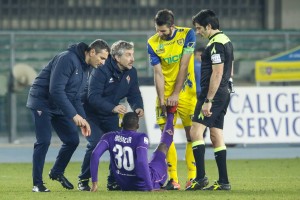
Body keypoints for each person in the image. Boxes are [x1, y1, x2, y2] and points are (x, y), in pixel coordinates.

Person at [27, 39, 110, 192]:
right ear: (92, 52)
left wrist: (83, 119)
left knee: (72, 140)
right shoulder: (67, 58)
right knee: (44, 141)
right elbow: (56, 90)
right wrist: (73, 115)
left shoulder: (87, 68)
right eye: (102, 58)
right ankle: (37, 184)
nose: (103, 62)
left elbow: (76, 97)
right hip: (42, 102)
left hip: (58, 105)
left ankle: (57, 172)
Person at [78, 40, 144, 191]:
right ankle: (83, 179)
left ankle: (113, 181)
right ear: (116, 57)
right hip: (90, 114)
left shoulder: (131, 72)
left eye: (132, 54)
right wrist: (113, 107)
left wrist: (138, 107)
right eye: (128, 55)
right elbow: (92, 97)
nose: (132, 58)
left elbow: (134, 94)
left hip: (110, 114)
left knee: (118, 145)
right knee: (95, 143)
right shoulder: (101, 69)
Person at [147, 9, 197, 190]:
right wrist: (162, 97)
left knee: (193, 135)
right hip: (165, 94)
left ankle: (192, 178)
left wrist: (176, 94)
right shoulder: (152, 43)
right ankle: (173, 179)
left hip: (187, 94)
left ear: (172, 27)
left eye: (163, 31)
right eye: (157, 30)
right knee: (166, 138)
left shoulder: (188, 34)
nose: (159, 34)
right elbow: (158, 73)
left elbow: (184, 65)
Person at [185, 9, 234, 191]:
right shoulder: (226, 41)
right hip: (224, 92)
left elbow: (218, 72)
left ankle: (199, 178)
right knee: (216, 135)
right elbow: (230, 68)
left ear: (208, 26)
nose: (198, 32)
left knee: (196, 132)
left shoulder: (215, 45)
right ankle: (223, 181)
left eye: (199, 28)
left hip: (212, 95)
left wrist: (209, 100)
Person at [90, 106, 177, 191]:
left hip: (124, 185)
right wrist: (150, 188)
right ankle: (171, 113)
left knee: (150, 162)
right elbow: (142, 162)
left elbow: (95, 154)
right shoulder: (141, 137)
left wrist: (94, 183)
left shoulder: (109, 136)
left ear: (122, 124)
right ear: (137, 126)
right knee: (163, 147)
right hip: (143, 184)